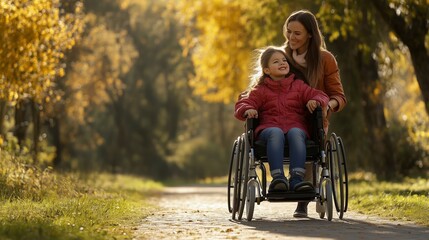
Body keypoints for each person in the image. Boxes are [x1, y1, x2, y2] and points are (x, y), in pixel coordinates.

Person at [234, 46, 329, 194]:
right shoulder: (260, 90)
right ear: (266, 70)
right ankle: (278, 178)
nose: (282, 63)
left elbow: (321, 95)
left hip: (296, 127)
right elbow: (244, 102)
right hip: (269, 128)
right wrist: (248, 109)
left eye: (284, 60)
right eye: (276, 62)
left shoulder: (298, 86)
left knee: (296, 133)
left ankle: (296, 179)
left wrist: (315, 101)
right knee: (276, 133)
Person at [282, 9, 347, 217]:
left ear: (310, 34)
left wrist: (328, 105)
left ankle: (303, 199)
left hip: (314, 119)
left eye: (297, 33)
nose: (291, 37)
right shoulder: (280, 57)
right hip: (282, 116)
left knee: (308, 144)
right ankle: (292, 185)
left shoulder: (325, 59)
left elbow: (339, 95)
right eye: (289, 31)